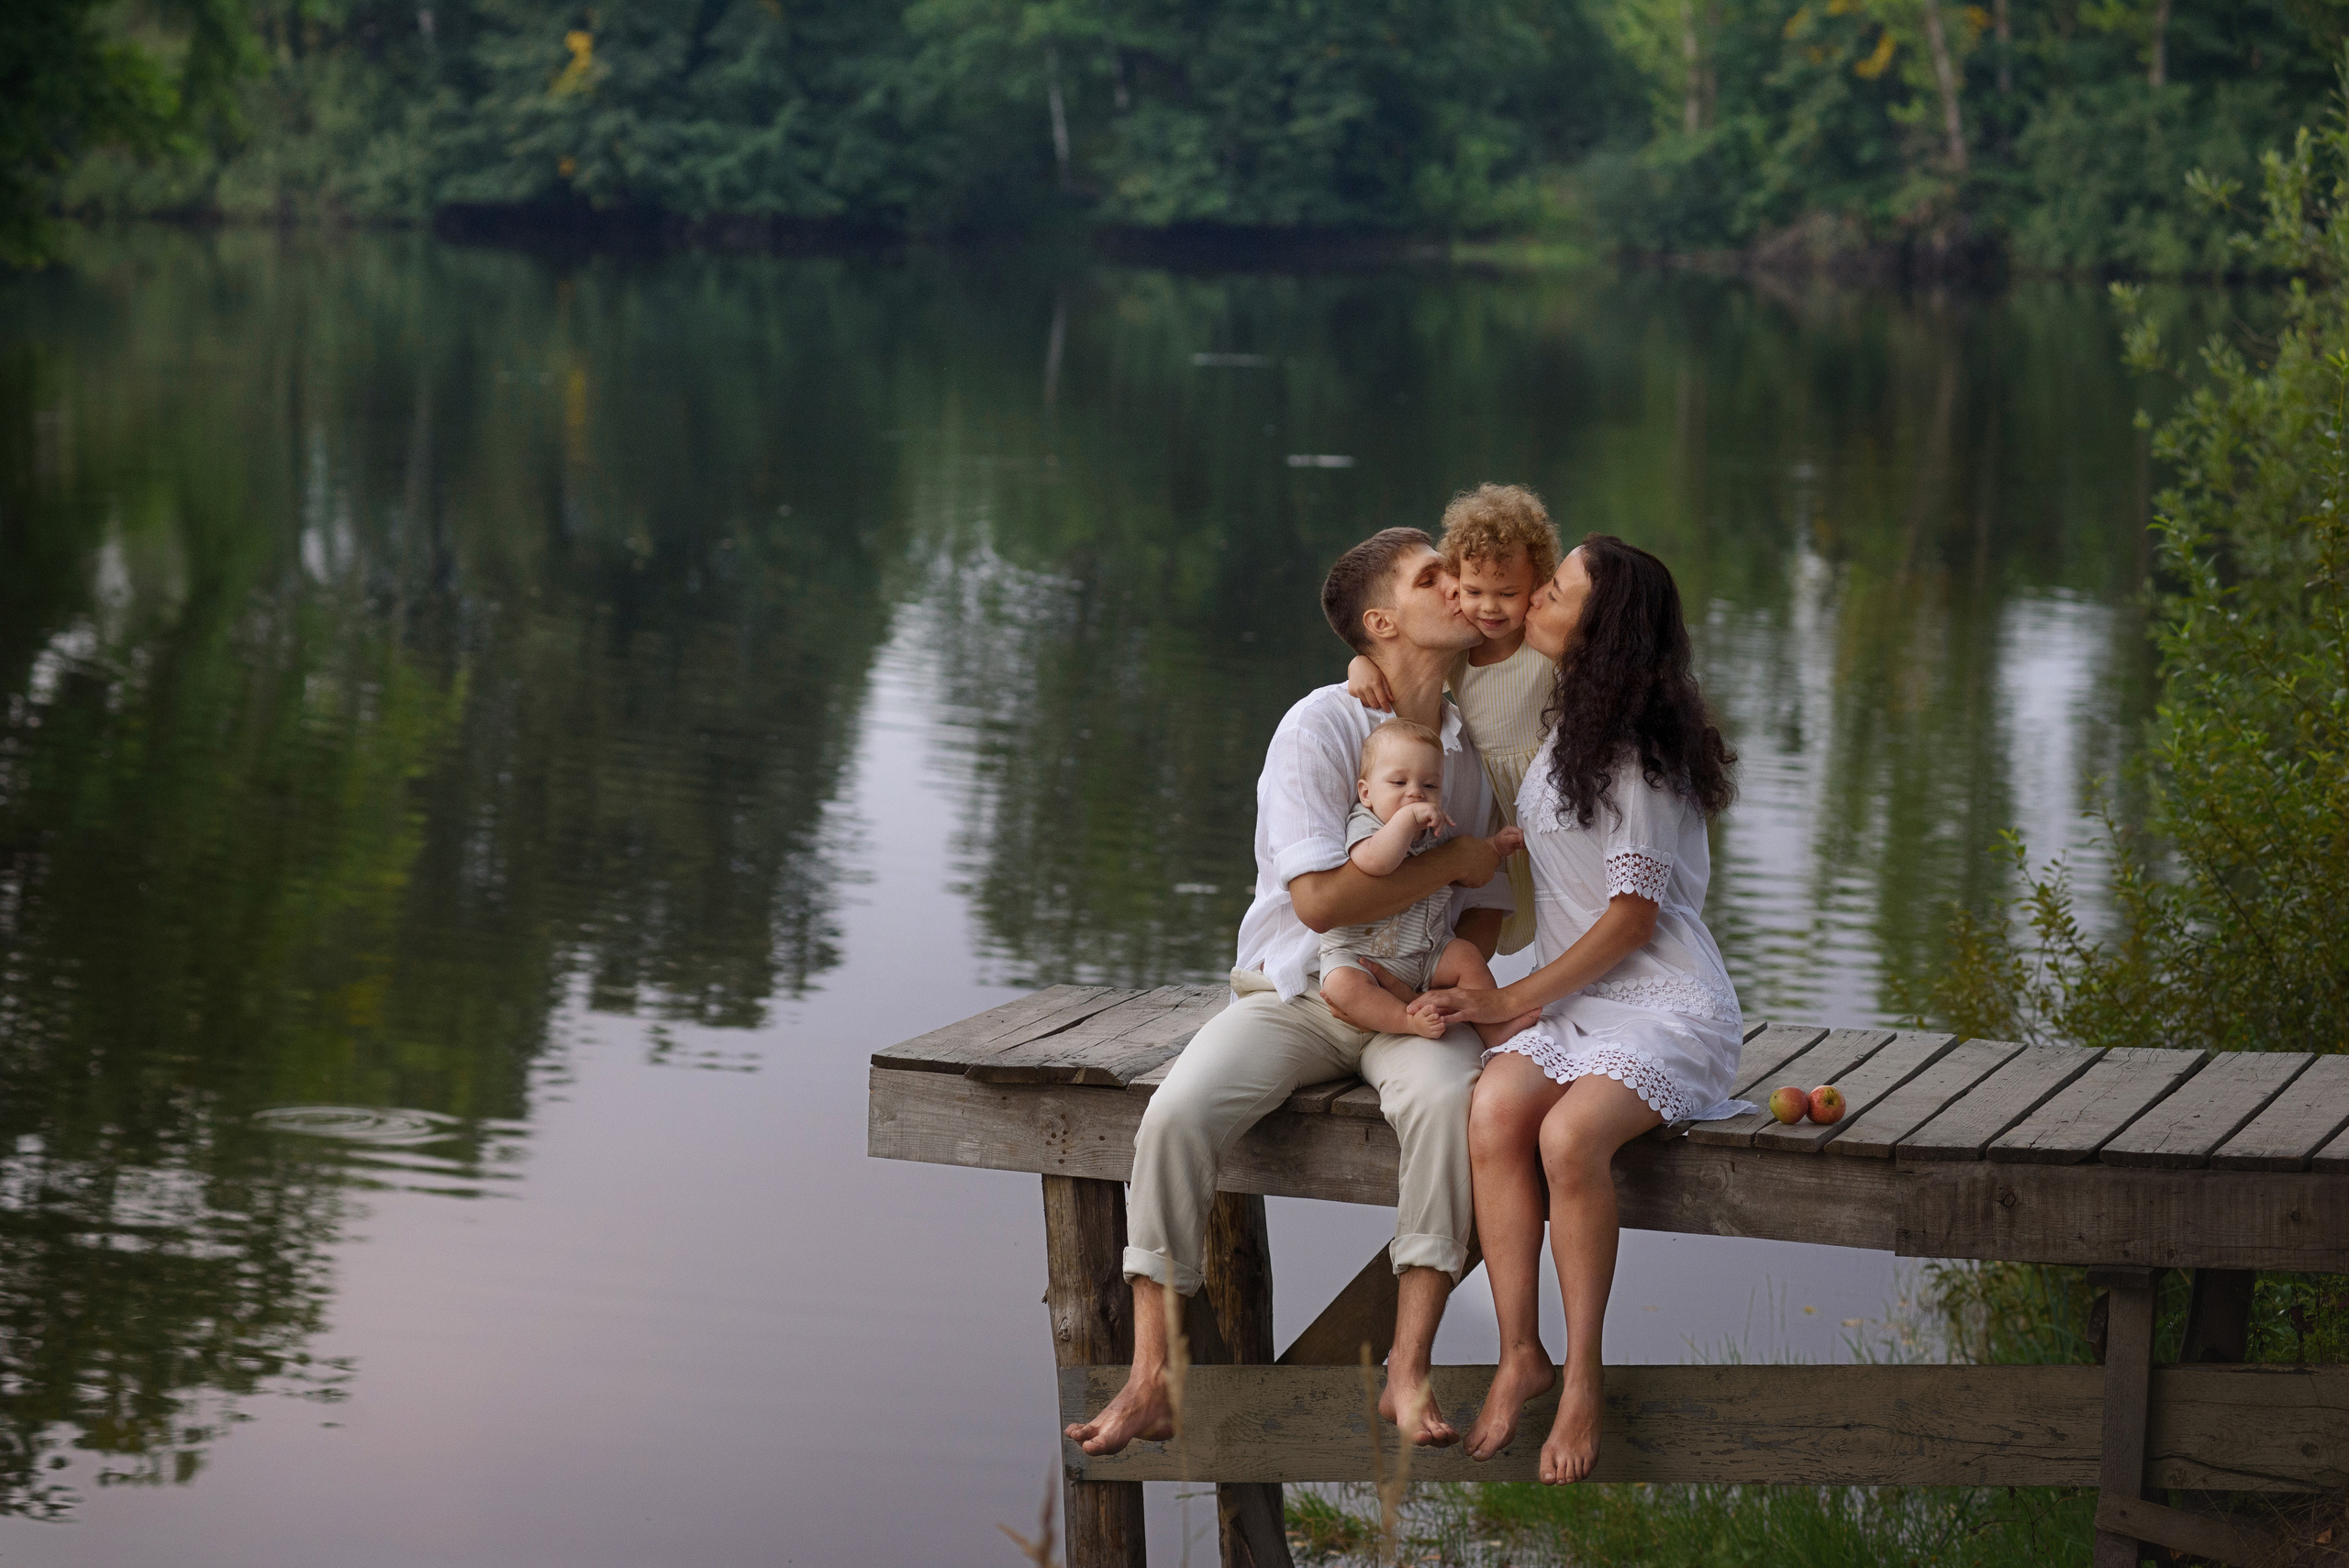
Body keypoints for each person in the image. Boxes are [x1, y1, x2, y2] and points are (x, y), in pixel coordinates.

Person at [1063, 528, 1513, 1458]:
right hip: (1296, 990)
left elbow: (1487, 907)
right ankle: (1150, 1378)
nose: (1461, 585)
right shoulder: (1319, 725)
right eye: (1432, 576)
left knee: (1446, 1105)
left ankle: (1407, 1369)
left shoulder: (1473, 745)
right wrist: (1452, 863)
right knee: (1176, 1111)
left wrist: (1447, 978)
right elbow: (1318, 900)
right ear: (1381, 622)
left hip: (1412, 1003)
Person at [1406, 534, 1748, 1485]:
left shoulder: (1638, 754)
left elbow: (1632, 919)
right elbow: (1452, 670)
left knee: (1566, 1138)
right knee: (1493, 1111)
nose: (1532, 601)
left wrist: (1510, 997)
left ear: (1599, 631)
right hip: (1578, 999)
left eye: (1553, 592)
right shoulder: (1572, 724)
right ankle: (1521, 1351)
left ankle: (1585, 1375)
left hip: (1664, 1003)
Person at [1346, 484, 1563, 957]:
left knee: (1568, 897)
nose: (1489, 607)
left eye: (1508, 593)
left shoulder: (1543, 643)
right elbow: (1404, 663)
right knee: (1527, 904)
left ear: (1536, 584)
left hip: (1553, 793)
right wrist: (1360, 662)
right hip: (1501, 802)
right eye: (1473, 591)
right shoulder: (1462, 654)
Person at [1317, 717, 1529, 1045]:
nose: (1415, 793)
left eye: (1430, 786)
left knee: (1466, 955)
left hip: (1426, 952)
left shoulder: (1434, 830)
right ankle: (1406, 1020)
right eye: (1399, 783)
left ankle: (1492, 1026)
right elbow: (1376, 862)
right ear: (1366, 793)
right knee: (1340, 984)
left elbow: (1462, 868)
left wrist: (1495, 847)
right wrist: (1406, 818)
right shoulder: (1366, 824)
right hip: (1360, 957)